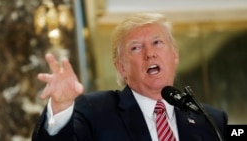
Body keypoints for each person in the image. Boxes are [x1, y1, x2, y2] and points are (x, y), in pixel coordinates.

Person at [32, 13, 228, 141]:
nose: (149, 53)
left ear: (175, 55)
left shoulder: (210, 120)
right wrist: (60, 108)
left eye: (157, 42)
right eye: (135, 47)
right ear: (121, 67)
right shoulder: (95, 111)